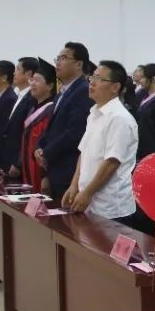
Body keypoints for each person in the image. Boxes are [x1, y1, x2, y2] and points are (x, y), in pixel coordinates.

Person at [62, 60, 139, 223]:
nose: (92, 83)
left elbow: (111, 162)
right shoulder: (94, 113)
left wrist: (87, 192)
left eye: (99, 79)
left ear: (115, 87)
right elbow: (84, 153)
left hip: (111, 208)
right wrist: (74, 186)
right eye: (92, 77)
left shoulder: (119, 118)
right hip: (89, 202)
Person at [36, 42, 93, 204]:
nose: (58, 63)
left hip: (69, 172)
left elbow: (75, 133)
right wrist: (39, 147)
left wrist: (46, 153)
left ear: (79, 64)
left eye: (63, 58)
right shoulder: (62, 92)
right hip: (55, 169)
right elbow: (51, 128)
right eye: (58, 58)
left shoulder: (83, 91)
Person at [0, 57, 38, 179]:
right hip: (6, 160)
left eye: (18, 69)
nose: (14, 73)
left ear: (28, 74)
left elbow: (25, 134)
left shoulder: (32, 99)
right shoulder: (19, 96)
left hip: (17, 164)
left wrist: (18, 163)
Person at [21, 57, 57, 194]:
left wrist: (44, 175)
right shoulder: (33, 109)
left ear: (50, 86)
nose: (32, 84)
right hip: (27, 168)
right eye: (32, 80)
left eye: (37, 80)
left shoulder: (51, 110)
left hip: (40, 172)